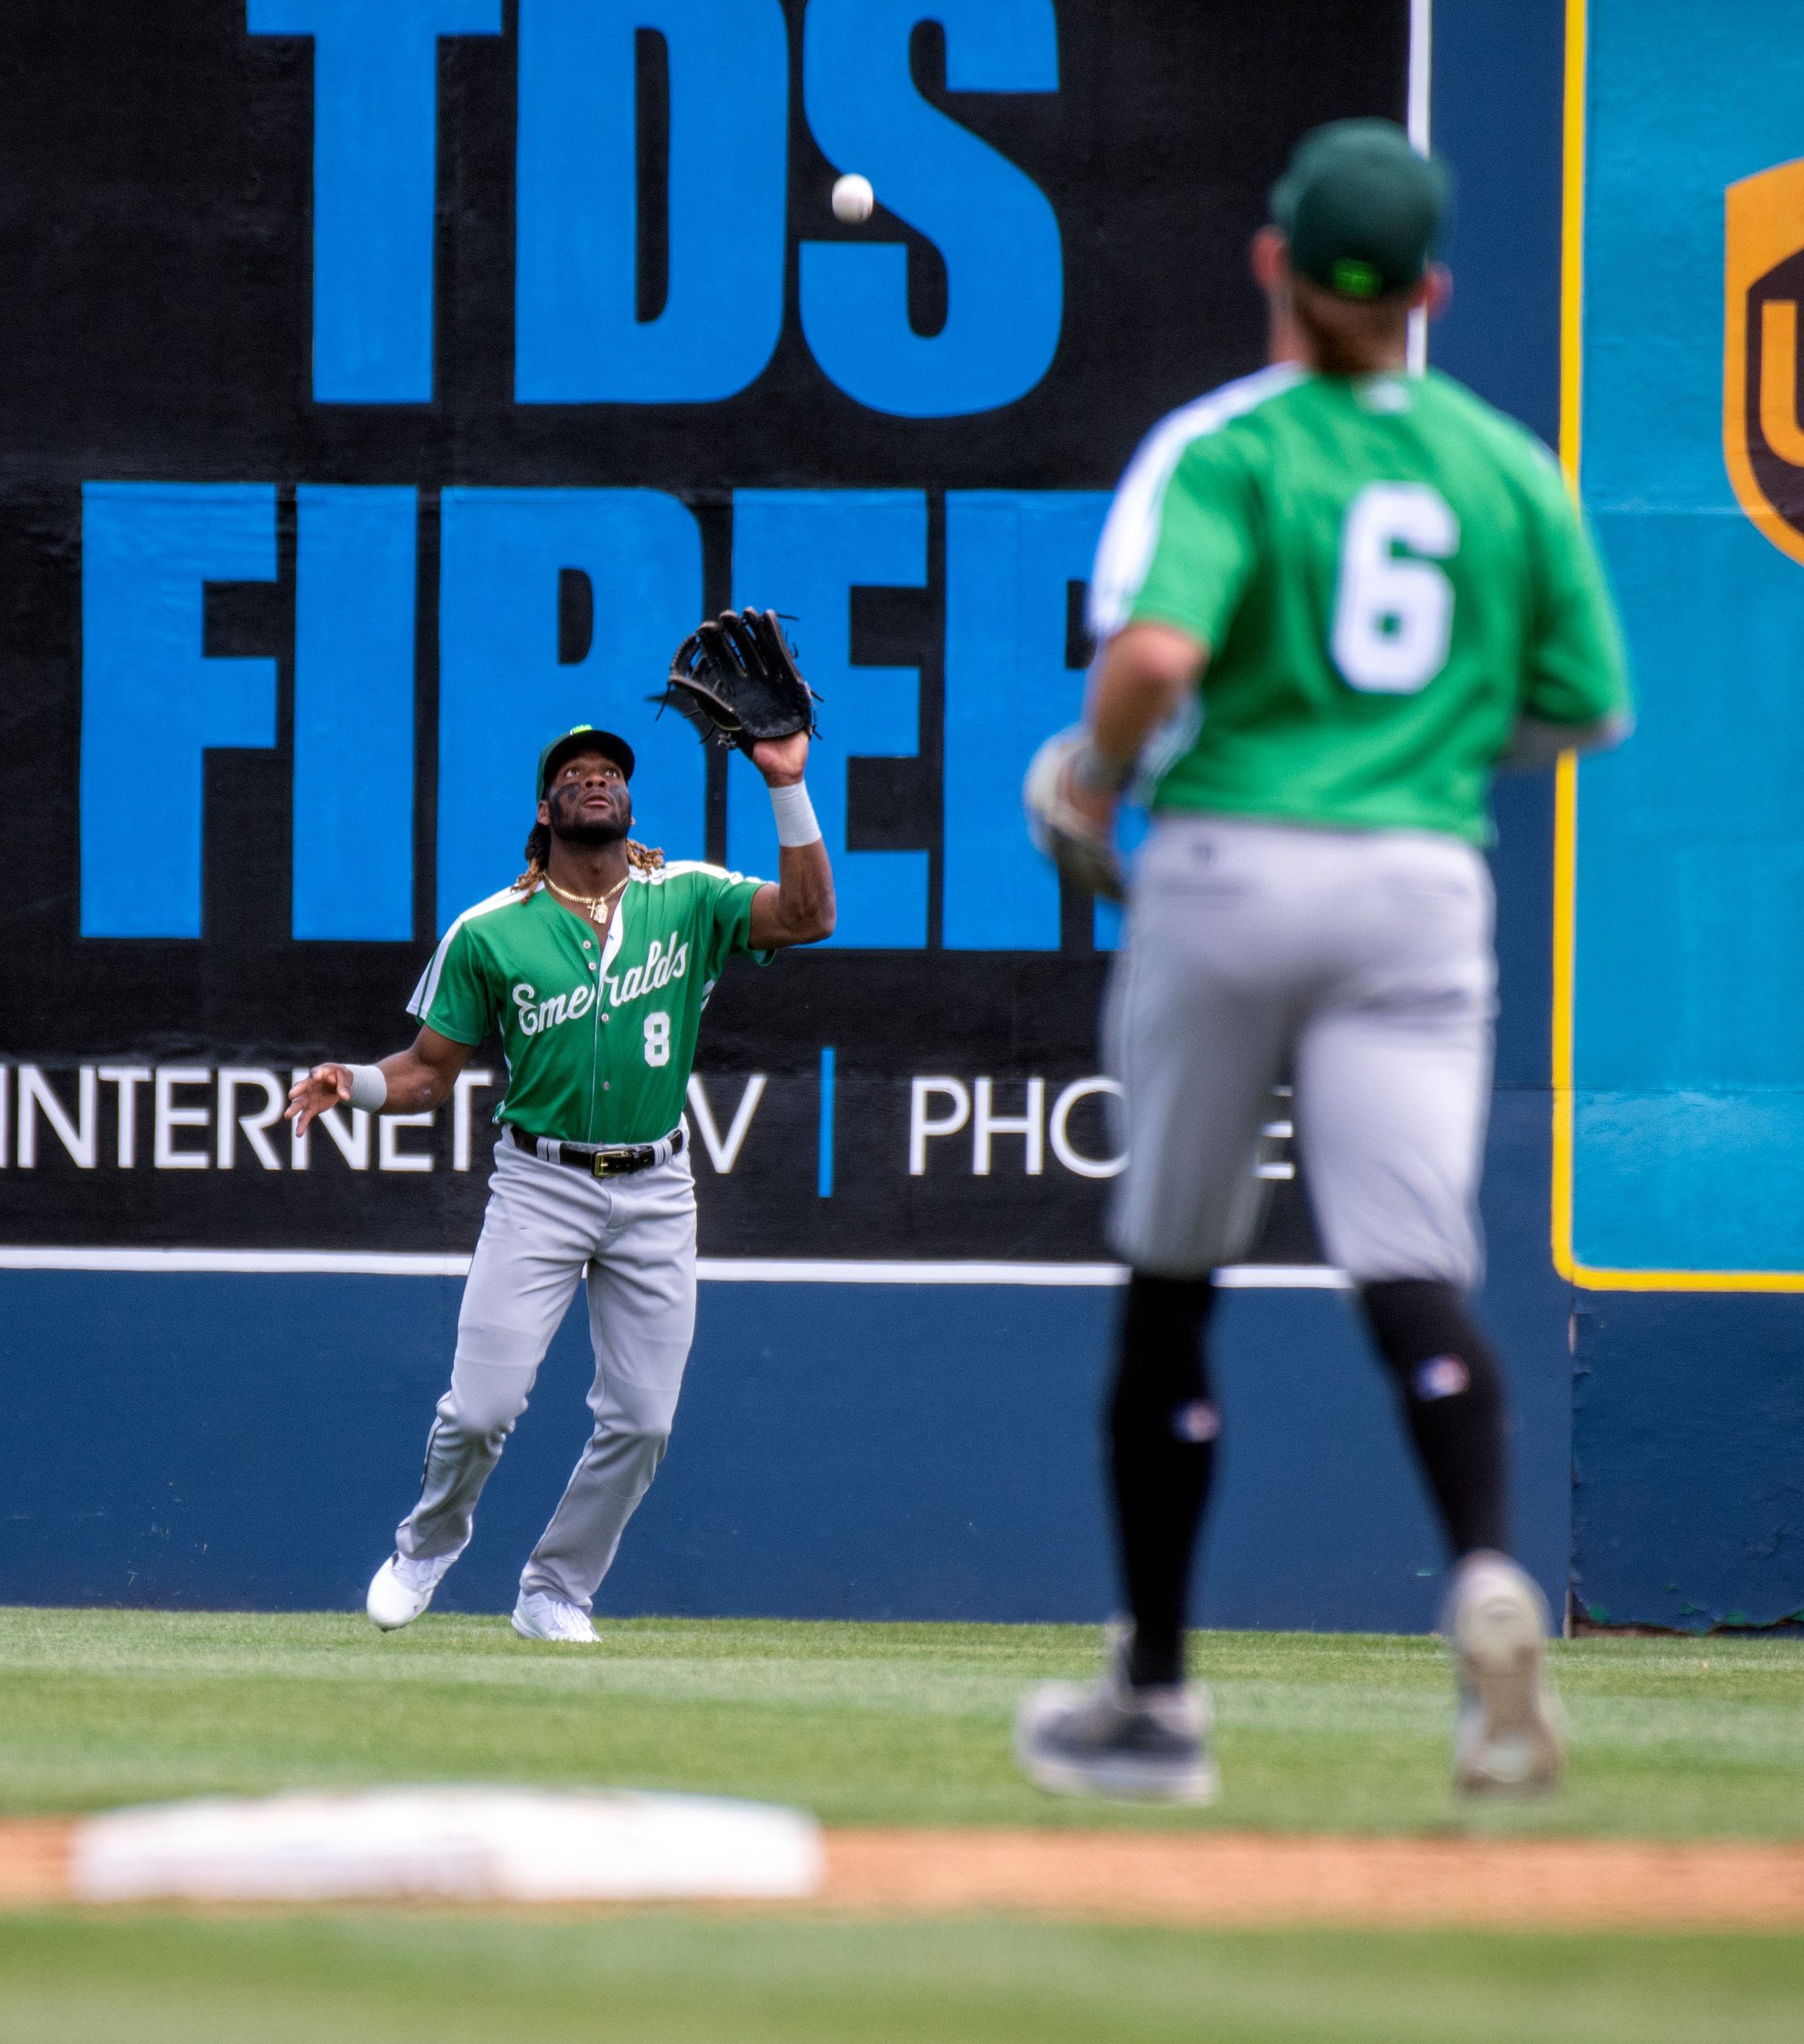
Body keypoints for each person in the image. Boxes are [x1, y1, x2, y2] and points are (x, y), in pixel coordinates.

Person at [1017, 120, 1632, 1799]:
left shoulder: (1229, 447)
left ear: (1274, 262)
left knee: (1175, 1274)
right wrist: (1415, 747)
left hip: (1232, 859)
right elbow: (1587, 704)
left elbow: (1155, 648)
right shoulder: (1504, 465)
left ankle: (1154, 1694)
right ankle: (1488, 1573)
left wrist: (1090, 777)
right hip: (1421, 876)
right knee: (1411, 1265)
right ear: (1431, 287)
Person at [287, 715, 833, 1643]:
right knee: (483, 1409)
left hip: (656, 1187)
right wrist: (358, 1083)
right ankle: (426, 1546)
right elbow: (429, 1072)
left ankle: (555, 1590)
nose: (594, 779)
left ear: (628, 802)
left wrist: (784, 779)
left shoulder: (688, 897)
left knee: (644, 1421)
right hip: (540, 1185)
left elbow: (810, 917)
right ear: (545, 810)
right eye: (574, 772)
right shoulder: (492, 930)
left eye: (609, 771)